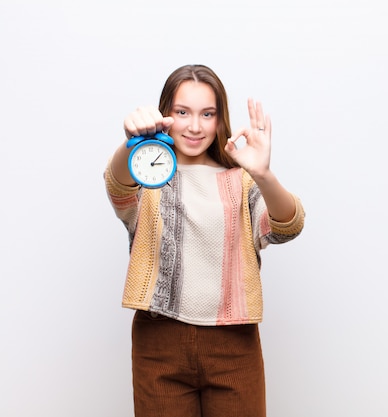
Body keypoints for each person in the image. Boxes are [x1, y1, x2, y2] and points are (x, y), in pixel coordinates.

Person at [103, 64, 305, 417]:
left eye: (207, 114)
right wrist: (131, 141)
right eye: (183, 112)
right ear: (166, 114)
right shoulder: (148, 176)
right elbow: (117, 185)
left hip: (233, 345)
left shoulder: (241, 182)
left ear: (219, 119)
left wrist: (263, 174)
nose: (195, 126)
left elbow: (287, 226)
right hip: (159, 341)